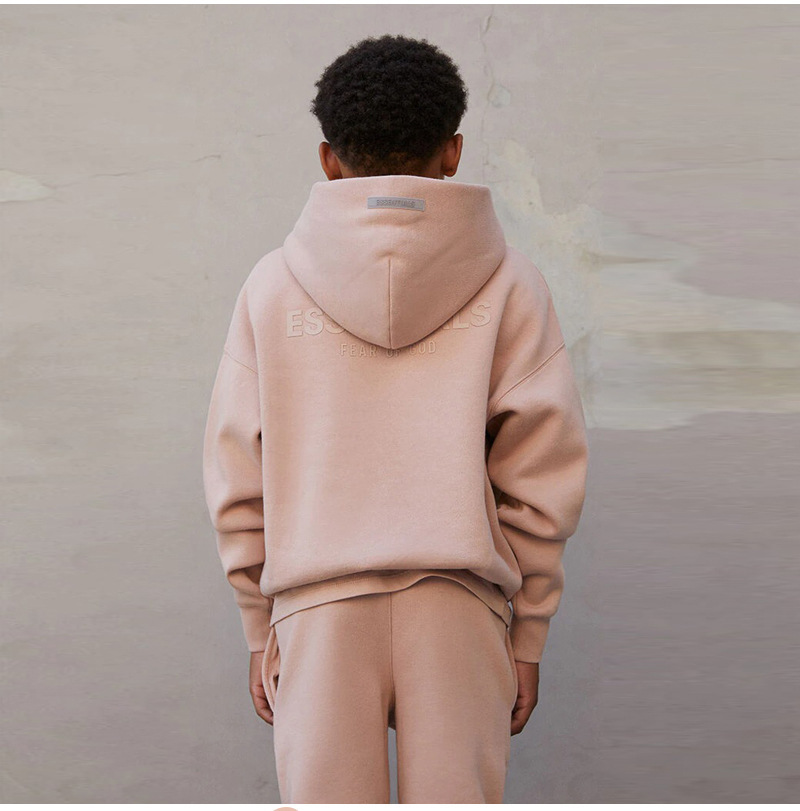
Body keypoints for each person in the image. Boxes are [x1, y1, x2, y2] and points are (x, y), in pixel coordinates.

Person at [202, 33, 589, 803]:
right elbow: (542, 473)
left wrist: (257, 622)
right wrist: (528, 632)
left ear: (328, 159)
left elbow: (237, 471)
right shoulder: (513, 285)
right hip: (460, 610)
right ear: (452, 152)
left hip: (318, 610)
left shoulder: (272, 287)